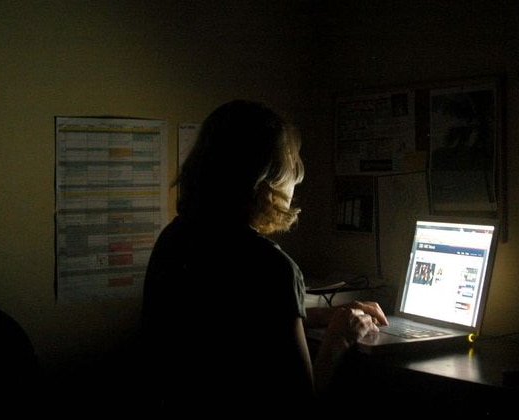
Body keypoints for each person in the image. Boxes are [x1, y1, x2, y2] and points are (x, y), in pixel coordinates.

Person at [140, 99, 388, 413]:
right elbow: (299, 405)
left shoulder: (175, 238)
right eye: (290, 170)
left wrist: (308, 316)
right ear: (265, 182)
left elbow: (227, 325)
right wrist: (339, 337)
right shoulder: (271, 267)